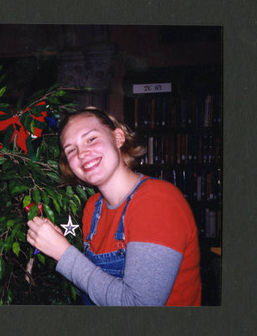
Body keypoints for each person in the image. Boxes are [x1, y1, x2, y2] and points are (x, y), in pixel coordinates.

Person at [27, 107, 201, 306]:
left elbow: (139, 306)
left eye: (91, 139)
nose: (82, 153)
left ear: (118, 138)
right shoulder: (93, 208)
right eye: (71, 150)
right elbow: (95, 290)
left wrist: (63, 253)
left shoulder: (157, 200)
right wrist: (56, 247)